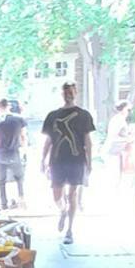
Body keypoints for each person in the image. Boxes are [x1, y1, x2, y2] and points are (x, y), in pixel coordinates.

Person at [40, 81, 94, 247]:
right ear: (62, 94)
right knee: (57, 194)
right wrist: (42, 159)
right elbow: (48, 140)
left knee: (72, 194)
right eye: (65, 92)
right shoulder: (53, 116)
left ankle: (70, 230)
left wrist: (89, 162)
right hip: (57, 160)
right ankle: (62, 210)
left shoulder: (83, 115)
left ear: (76, 92)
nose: (68, 94)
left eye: (71, 91)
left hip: (76, 160)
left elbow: (87, 140)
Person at [0, 97, 27, 207]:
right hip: (14, 152)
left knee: (1, 180)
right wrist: (24, 149)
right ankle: (21, 199)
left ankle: (4, 203)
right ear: (8, 106)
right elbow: (23, 136)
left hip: (0, 153)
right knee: (19, 178)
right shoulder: (19, 119)